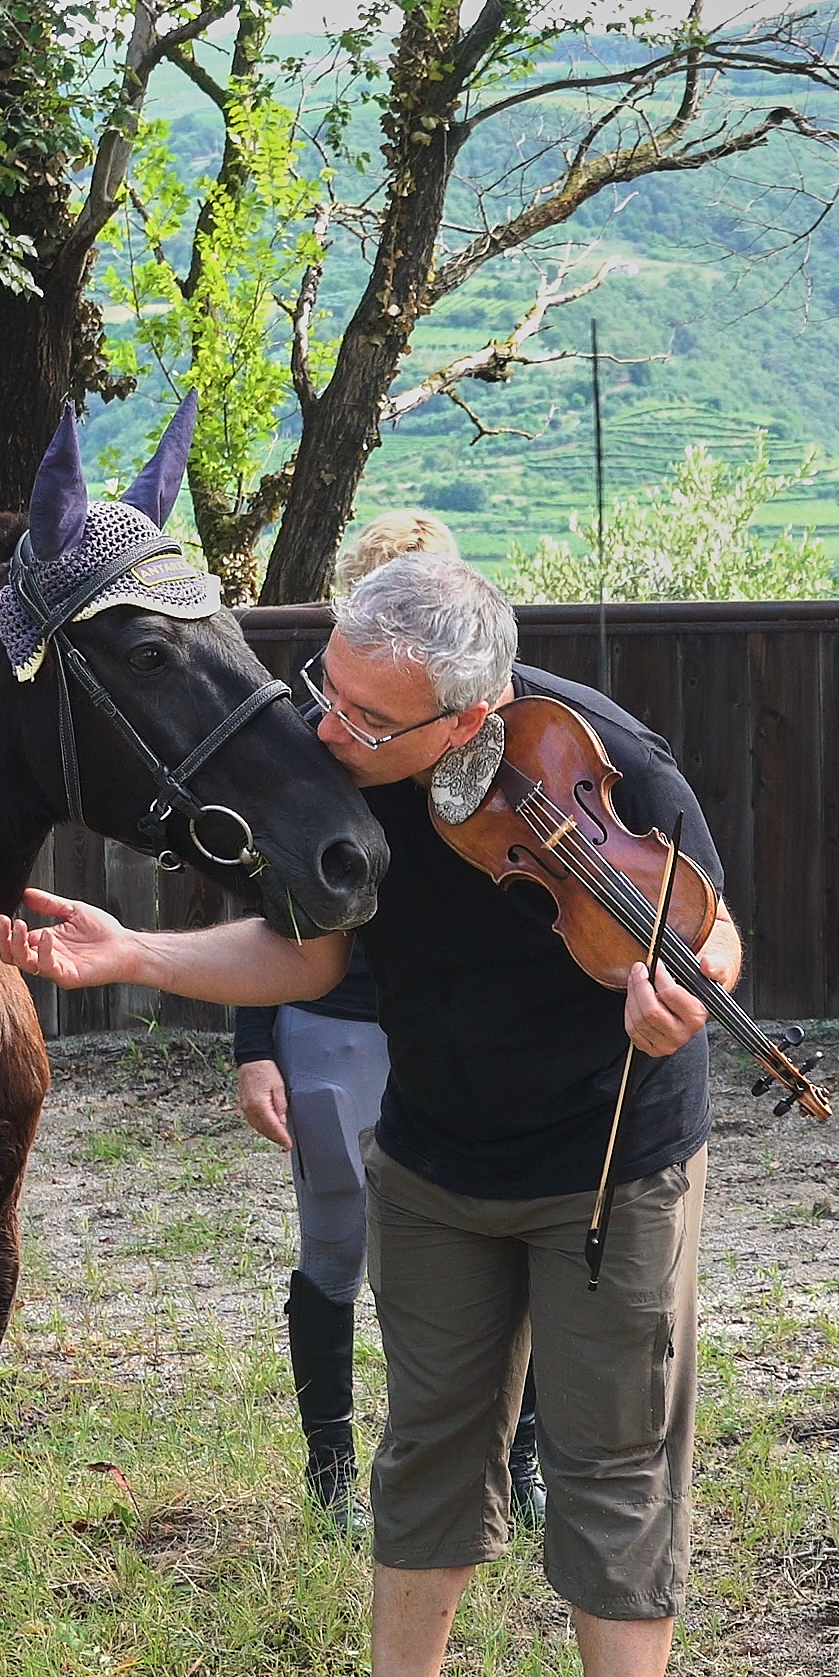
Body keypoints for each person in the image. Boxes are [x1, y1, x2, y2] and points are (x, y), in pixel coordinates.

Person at [0, 550, 738, 1677]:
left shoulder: (611, 762)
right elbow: (311, 954)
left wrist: (678, 994)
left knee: (613, 1455)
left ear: (471, 715)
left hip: (606, 1161)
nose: (329, 728)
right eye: (326, 688)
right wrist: (137, 954)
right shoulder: (327, 754)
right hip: (436, 1156)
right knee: (428, 1441)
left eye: (369, 718)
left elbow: (712, 936)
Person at [234, 512, 542, 1539]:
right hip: (333, 1018)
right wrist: (255, 1048)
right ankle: (330, 1471)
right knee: (335, 1239)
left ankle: (520, 1464)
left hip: (453, 1025)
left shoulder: (502, 739)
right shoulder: (312, 738)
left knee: (511, 1242)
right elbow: (266, 902)